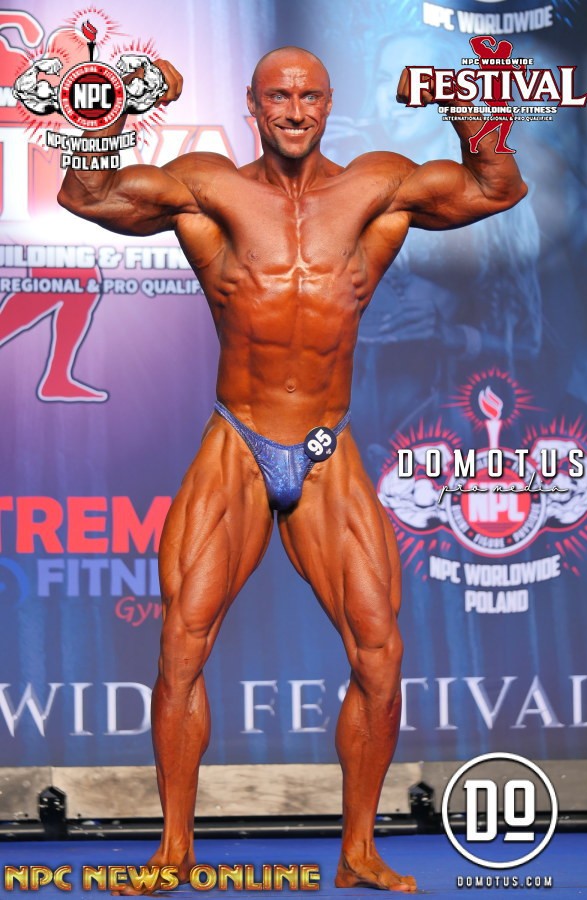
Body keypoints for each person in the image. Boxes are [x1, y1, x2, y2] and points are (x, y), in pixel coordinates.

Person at [58, 46, 527, 894]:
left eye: (309, 95)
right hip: (238, 440)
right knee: (182, 644)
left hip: (326, 444)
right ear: (253, 104)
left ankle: (358, 851)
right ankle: (173, 850)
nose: (295, 110)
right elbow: (87, 195)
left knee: (379, 652)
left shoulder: (377, 187)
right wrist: (109, 105)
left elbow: (496, 189)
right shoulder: (210, 186)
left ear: (329, 103)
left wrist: (467, 104)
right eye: (279, 95)